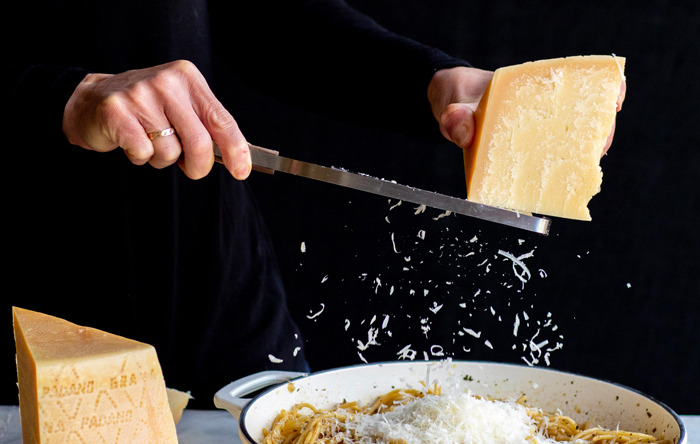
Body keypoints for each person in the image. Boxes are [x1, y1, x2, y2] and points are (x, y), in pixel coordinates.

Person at [4, 1, 622, 408]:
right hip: (32, 333)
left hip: (221, 310)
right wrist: (62, 97)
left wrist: (430, 81)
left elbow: (267, 16)